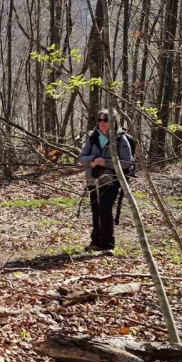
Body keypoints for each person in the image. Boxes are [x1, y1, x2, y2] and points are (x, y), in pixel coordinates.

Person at [78, 110, 133, 256]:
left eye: (105, 120)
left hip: (111, 180)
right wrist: (93, 159)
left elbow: (127, 162)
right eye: (100, 120)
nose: (102, 123)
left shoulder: (120, 139)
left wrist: (106, 162)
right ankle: (96, 242)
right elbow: (82, 158)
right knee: (96, 210)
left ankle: (108, 244)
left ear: (113, 122)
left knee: (105, 209)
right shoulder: (93, 137)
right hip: (93, 180)